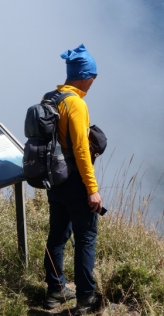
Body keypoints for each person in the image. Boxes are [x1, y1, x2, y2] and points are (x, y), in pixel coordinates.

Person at [42, 44, 104, 313]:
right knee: (85, 238)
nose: (93, 81)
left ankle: (55, 292)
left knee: (57, 235)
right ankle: (86, 300)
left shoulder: (50, 98)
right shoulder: (76, 104)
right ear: (84, 75)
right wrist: (92, 189)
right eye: (93, 76)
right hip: (76, 182)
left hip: (54, 179)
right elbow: (80, 149)